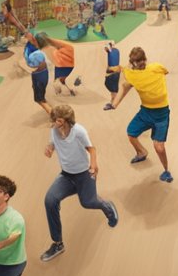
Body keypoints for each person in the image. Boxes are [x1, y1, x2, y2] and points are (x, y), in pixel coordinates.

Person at [39, 104, 119, 262]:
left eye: (56, 120)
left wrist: (93, 165)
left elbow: (92, 149)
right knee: (50, 200)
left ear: (63, 121)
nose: (53, 123)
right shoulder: (53, 131)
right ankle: (58, 243)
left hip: (84, 174)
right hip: (67, 175)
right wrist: (49, 148)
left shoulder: (79, 132)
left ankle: (107, 207)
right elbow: (52, 143)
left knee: (88, 202)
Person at [111, 47, 174, 183]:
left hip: (162, 114)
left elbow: (124, 77)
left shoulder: (144, 71)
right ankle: (142, 152)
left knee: (159, 147)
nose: (139, 63)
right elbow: (125, 85)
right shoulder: (152, 69)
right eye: (136, 61)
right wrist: (114, 104)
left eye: (140, 61)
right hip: (146, 111)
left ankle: (166, 170)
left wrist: (128, 69)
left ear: (144, 60)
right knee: (131, 133)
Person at [20, 33, 53, 114]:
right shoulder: (43, 50)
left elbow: (31, 64)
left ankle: (53, 114)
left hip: (39, 75)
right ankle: (52, 109)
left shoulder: (35, 54)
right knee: (42, 97)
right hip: (45, 74)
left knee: (39, 100)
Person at [102, 41, 122, 110]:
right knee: (113, 88)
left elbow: (108, 49)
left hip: (112, 72)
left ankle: (113, 104)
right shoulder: (117, 50)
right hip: (117, 71)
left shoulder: (110, 51)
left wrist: (108, 47)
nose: (105, 49)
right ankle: (112, 101)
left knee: (112, 88)